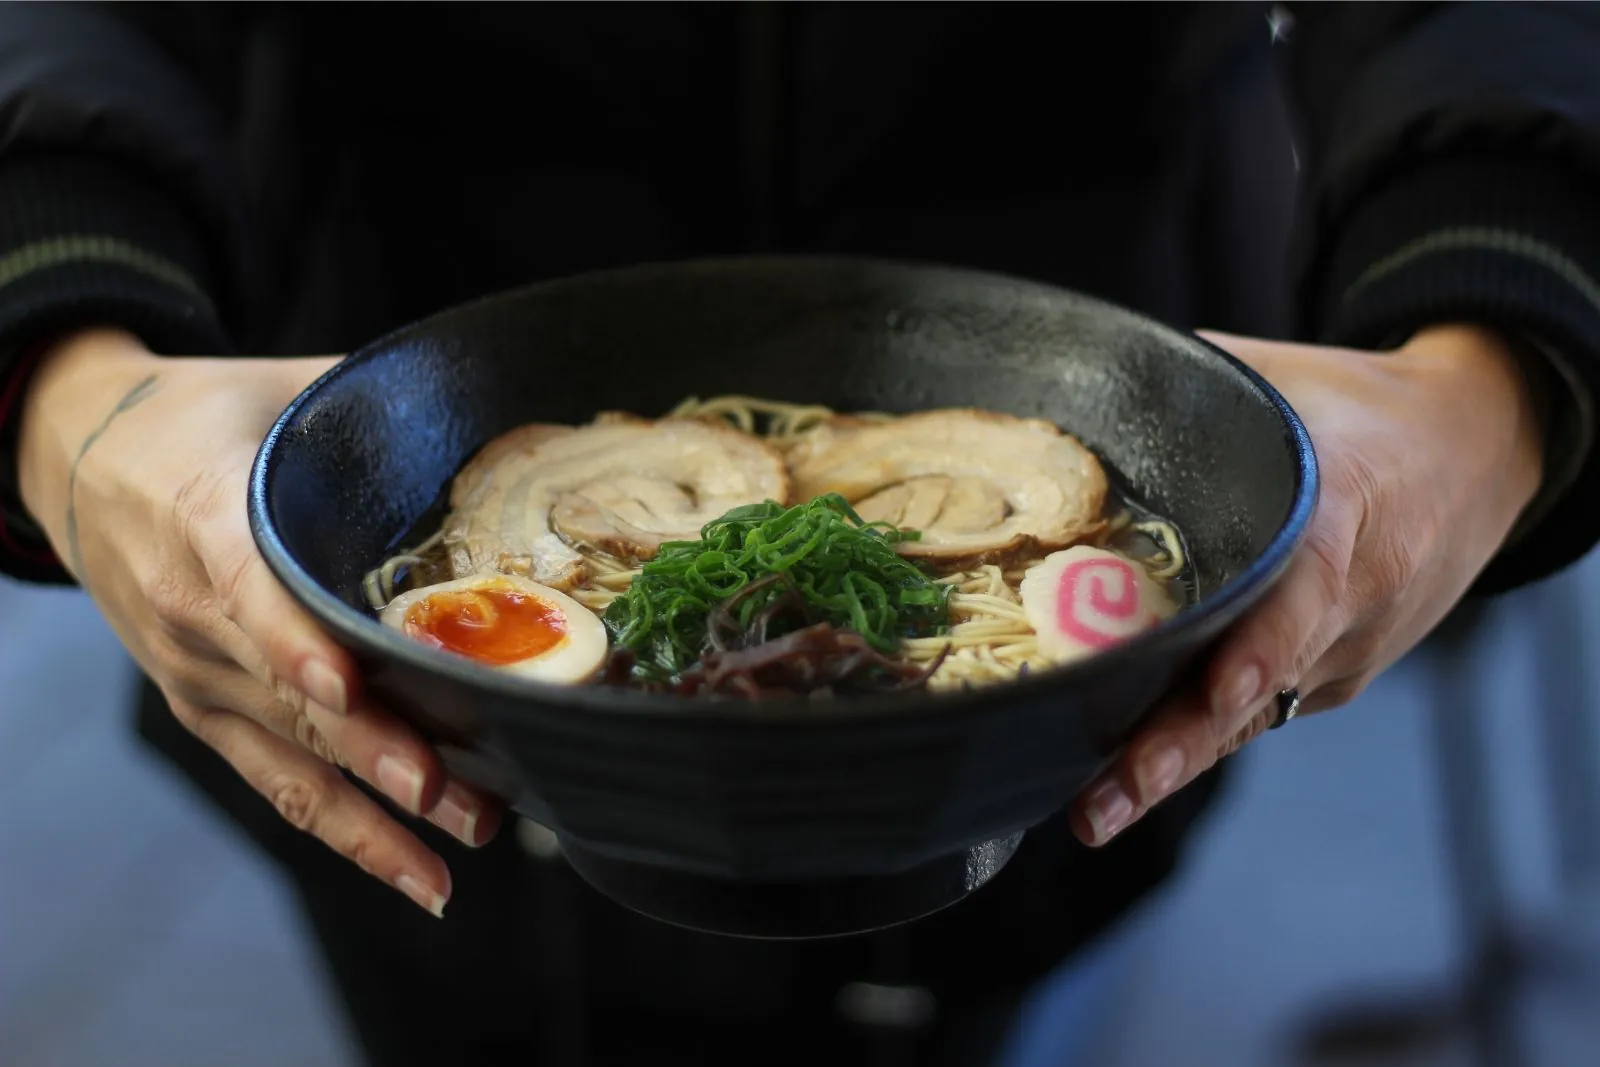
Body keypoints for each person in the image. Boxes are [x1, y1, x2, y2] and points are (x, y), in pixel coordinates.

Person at [3, 2, 1598, 1064]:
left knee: (1012, 986)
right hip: (402, 626)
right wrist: (62, 358)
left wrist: (1495, 345)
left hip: (1056, 703)